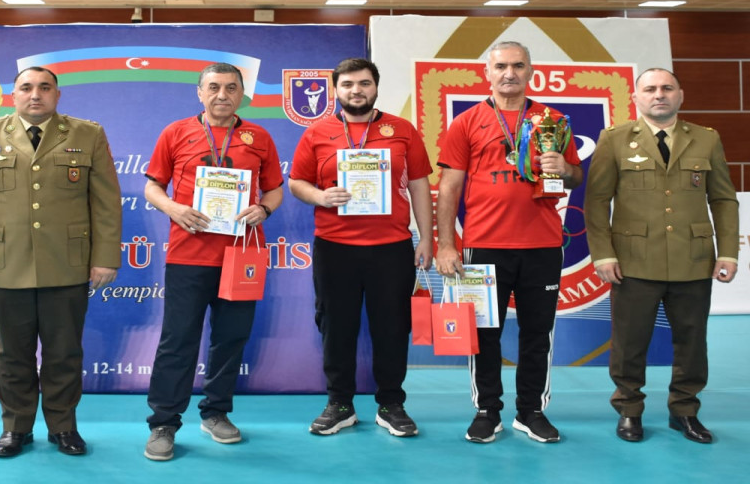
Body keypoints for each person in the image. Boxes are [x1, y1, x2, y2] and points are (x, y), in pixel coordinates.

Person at [0, 66, 122, 458]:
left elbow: (105, 203)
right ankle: (15, 427)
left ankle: (63, 426)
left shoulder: (88, 134)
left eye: (44, 88)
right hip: (4, 261)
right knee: (11, 353)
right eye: (26, 88)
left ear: (57, 95)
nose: (36, 95)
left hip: (66, 262)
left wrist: (104, 258)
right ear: (11, 95)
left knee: (64, 352)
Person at [434, 40, 582, 444]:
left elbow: (575, 178)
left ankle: (530, 411)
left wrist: (564, 167)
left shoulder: (553, 120)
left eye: (518, 65)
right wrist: (446, 245)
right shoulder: (467, 122)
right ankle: (487, 410)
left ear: (531, 70)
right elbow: (448, 189)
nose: (509, 73)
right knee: (484, 333)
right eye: (501, 66)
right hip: (484, 245)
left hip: (542, 245)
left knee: (537, 332)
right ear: (487, 72)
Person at [583, 68, 739, 444]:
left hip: (693, 258)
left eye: (667, 88)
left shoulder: (706, 139)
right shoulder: (615, 139)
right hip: (633, 260)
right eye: (650, 89)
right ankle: (629, 411)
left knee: (691, 340)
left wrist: (728, 252)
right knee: (629, 342)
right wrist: (602, 254)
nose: (659, 95)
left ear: (680, 95)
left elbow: (722, 198)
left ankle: (684, 411)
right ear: (636, 97)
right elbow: (597, 201)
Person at [142, 63, 285, 462]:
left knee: (231, 339)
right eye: (214, 87)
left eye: (231, 88)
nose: (222, 94)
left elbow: (275, 189)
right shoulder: (175, 132)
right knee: (178, 341)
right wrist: (174, 208)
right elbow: (152, 185)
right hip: (188, 255)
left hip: (242, 256)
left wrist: (263, 209)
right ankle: (164, 423)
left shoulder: (259, 137)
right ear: (199, 93)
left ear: (242, 94)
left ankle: (217, 412)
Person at [288, 58, 434, 437]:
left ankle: (391, 403)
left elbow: (419, 184)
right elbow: (296, 183)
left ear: (376, 87)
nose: (357, 91)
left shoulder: (402, 130)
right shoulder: (317, 132)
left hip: (392, 247)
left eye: (365, 83)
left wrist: (427, 238)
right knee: (336, 327)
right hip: (335, 247)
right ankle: (340, 403)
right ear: (336, 90)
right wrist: (320, 196)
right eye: (349, 84)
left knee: (392, 326)